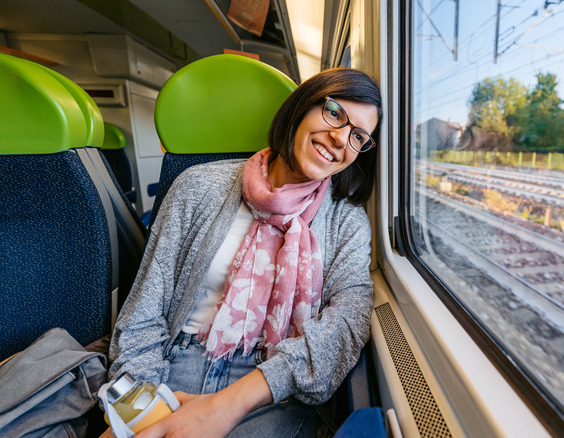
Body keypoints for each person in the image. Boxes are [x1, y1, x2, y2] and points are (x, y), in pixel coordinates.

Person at [103, 67, 382, 438]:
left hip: (276, 385)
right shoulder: (198, 186)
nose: (339, 138)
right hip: (177, 360)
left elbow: (347, 325)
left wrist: (226, 405)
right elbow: (144, 311)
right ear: (302, 107)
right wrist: (137, 406)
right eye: (334, 113)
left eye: (358, 136)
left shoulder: (347, 223)